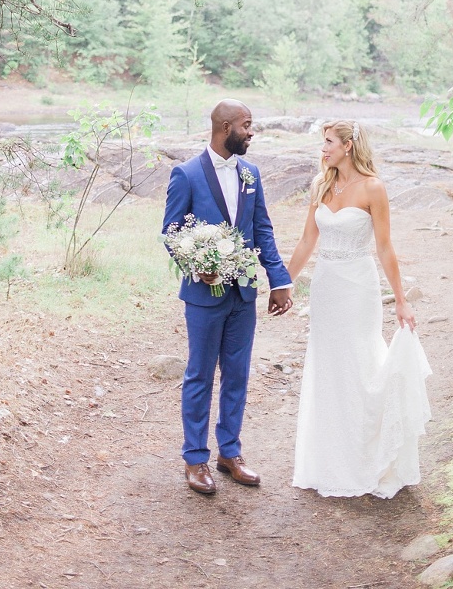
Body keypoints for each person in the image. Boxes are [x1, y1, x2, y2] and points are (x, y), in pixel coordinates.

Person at [287, 119, 431, 498]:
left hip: (358, 288)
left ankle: (372, 456)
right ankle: (332, 461)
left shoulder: (373, 188)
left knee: (360, 363)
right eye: (323, 143)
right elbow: (306, 241)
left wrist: (400, 299)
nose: (323, 149)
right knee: (328, 367)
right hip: (326, 287)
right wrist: (283, 284)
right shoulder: (321, 185)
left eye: (329, 142)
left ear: (348, 146)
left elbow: (385, 248)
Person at [163, 99, 293, 495]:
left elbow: (262, 229)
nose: (251, 132)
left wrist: (279, 279)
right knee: (200, 375)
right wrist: (196, 265)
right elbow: (170, 233)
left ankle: (230, 452)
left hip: (243, 295)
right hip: (203, 296)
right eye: (246, 125)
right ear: (224, 128)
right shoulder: (185, 174)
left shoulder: (250, 174)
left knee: (237, 374)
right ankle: (195, 459)